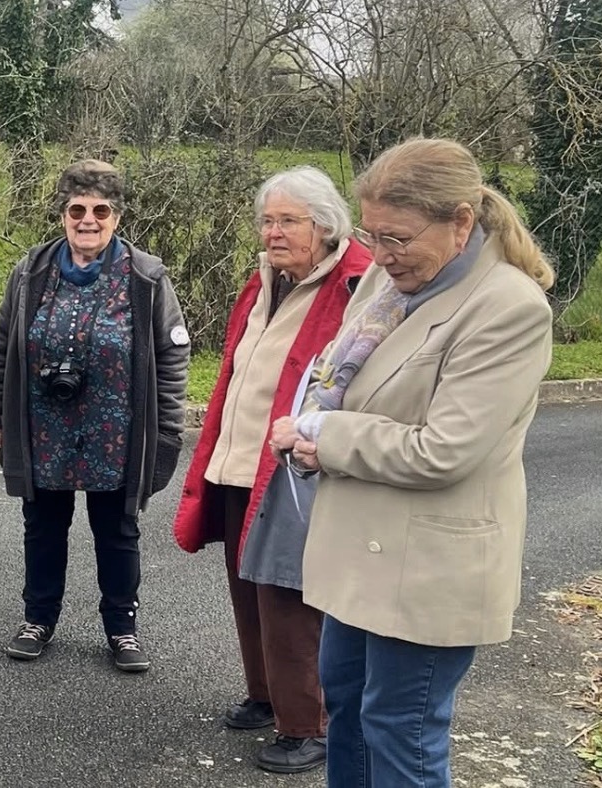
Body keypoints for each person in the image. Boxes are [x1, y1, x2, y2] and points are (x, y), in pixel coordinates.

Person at [271, 138, 555, 787]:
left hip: (428, 568)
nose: (382, 255)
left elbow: (442, 450)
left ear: (459, 221)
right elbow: (338, 369)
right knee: (346, 707)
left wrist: (328, 433)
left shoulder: (507, 308)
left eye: (397, 237)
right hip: (357, 554)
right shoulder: (386, 276)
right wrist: (315, 420)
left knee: (400, 728)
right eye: (372, 235)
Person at [173, 166, 372, 774]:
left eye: (288, 221)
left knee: (288, 596)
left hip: (293, 467)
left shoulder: (355, 285)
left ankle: (306, 724)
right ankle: (265, 696)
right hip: (238, 461)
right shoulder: (263, 281)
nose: (273, 233)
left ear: (325, 224)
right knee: (247, 588)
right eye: (267, 220)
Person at [0, 159, 189, 672]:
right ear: (63, 213)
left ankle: (122, 628)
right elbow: (3, 343)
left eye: (100, 210)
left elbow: (172, 354)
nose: (87, 220)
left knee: (117, 531)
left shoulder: (146, 275)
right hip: (42, 427)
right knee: (42, 525)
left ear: (117, 217)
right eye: (77, 209)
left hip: (117, 429)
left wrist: (166, 428)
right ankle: (38, 620)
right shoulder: (31, 270)